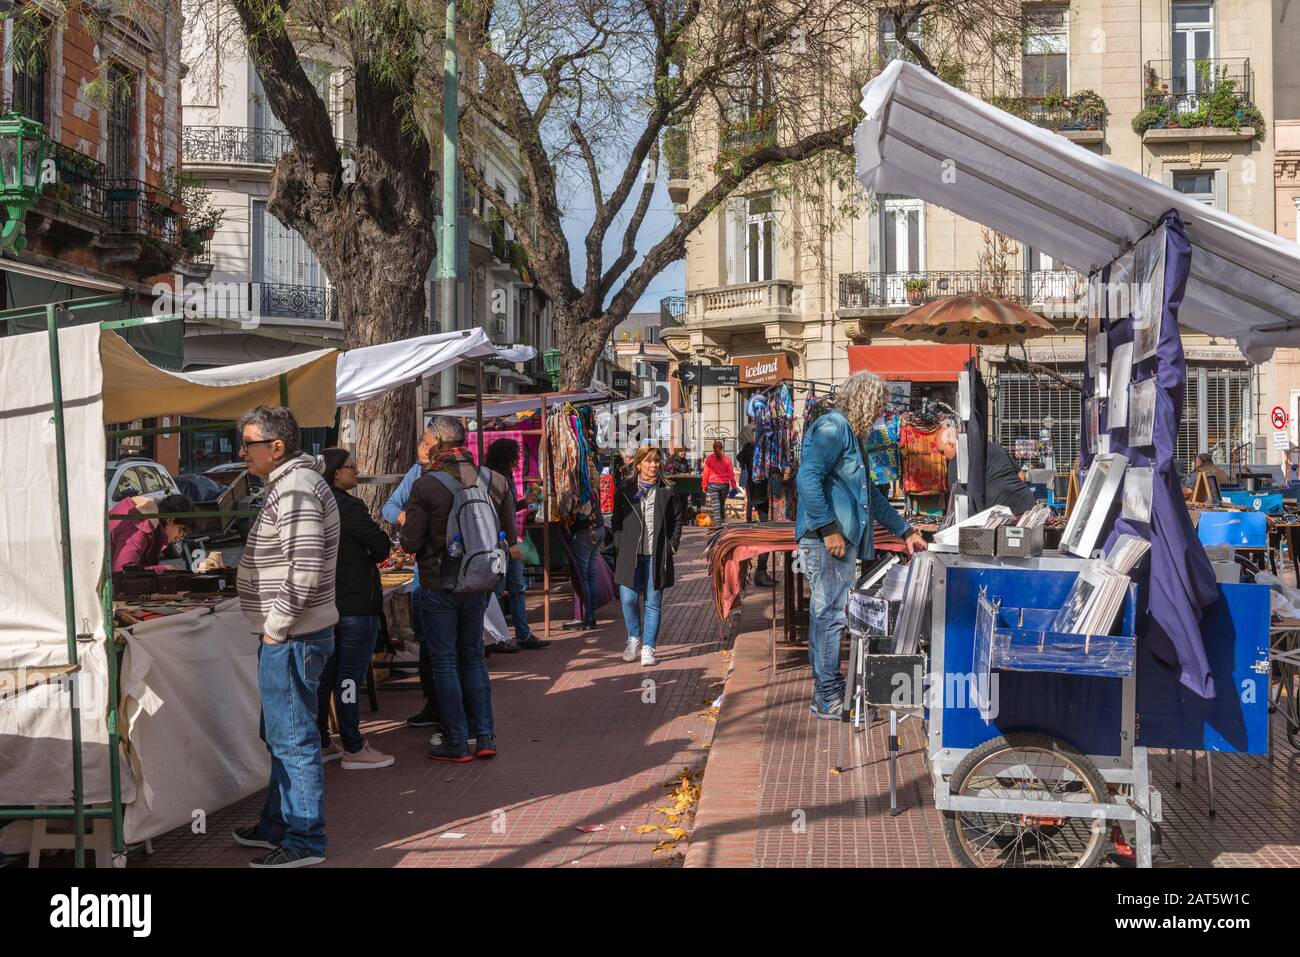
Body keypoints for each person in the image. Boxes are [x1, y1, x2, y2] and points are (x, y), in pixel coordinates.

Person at [231, 405, 340, 868]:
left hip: (294, 634)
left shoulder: (296, 487)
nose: (242, 453)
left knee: (292, 738)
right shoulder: (292, 483)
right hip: (293, 634)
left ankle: (303, 841)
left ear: (276, 447)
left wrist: (276, 627)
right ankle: (277, 824)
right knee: (279, 733)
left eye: (249, 444)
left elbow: (305, 567)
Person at [796, 372, 927, 720]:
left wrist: (905, 531)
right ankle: (828, 696)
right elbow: (806, 478)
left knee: (827, 616)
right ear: (865, 402)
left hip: (836, 539)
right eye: (879, 406)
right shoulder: (833, 428)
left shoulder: (849, 435)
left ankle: (826, 692)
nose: (881, 414)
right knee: (830, 616)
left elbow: (868, 495)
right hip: (828, 540)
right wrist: (828, 529)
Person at [401, 416, 517, 762]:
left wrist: (410, 525)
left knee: (445, 663)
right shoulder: (494, 480)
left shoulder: (427, 484)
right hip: (481, 583)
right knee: (472, 658)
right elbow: (510, 534)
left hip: (439, 584)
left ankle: (454, 739)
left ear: (437, 441)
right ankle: (484, 735)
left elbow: (410, 543)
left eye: (426, 438)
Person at [315, 448, 396, 771]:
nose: (357, 472)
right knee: (348, 677)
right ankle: (352, 744)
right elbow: (379, 547)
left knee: (326, 676)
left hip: (325, 602)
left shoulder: (314, 504)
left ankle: (322, 740)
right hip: (354, 603)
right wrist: (376, 543)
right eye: (351, 467)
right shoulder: (347, 505)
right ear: (335, 472)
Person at [383, 425, 447, 731]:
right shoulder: (417, 473)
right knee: (427, 639)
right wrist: (405, 517)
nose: (420, 448)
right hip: (427, 570)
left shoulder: (453, 475)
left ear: (438, 444)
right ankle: (435, 704)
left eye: (424, 442)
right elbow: (390, 506)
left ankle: (451, 716)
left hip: (448, 571)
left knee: (448, 645)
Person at [612, 446, 684, 666]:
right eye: (649, 462)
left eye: (656, 462)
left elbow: (677, 519)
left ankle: (648, 648)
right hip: (630, 555)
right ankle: (633, 638)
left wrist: (672, 545)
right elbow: (616, 520)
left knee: (653, 603)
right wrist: (620, 542)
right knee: (628, 599)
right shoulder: (625, 488)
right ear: (639, 464)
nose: (653, 466)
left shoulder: (667, 489)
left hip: (656, 554)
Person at [484, 438, 549, 650]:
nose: (517, 461)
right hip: (500, 546)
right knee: (497, 590)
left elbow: (508, 510)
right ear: (505, 458)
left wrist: (524, 502)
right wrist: (507, 542)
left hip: (510, 544)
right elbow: (495, 514)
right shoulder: (492, 479)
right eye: (514, 457)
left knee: (517, 589)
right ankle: (496, 638)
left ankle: (523, 634)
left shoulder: (508, 477)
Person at [938, 427, 1038, 515]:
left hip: (1001, 515)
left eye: (942, 451)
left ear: (951, 445)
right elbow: (1021, 476)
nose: (944, 456)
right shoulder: (994, 446)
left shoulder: (957, 462)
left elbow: (959, 501)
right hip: (1027, 504)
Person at [109, 493, 193, 572]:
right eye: (180, 530)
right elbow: (121, 571)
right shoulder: (139, 529)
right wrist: (162, 570)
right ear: (170, 519)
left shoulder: (145, 511)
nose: (180, 536)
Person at [736, 440, 775, 587]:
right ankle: (761, 571)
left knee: (765, 532)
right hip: (762, 494)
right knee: (767, 533)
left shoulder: (749, 447)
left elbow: (740, 460)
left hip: (757, 493)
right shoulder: (757, 445)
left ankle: (760, 570)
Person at [701, 440, 736, 526]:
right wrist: (734, 487)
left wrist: (704, 486)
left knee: (716, 506)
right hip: (724, 485)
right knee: (721, 504)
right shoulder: (727, 459)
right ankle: (722, 520)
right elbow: (731, 475)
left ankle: (717, 525)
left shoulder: (709, 459)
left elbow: (706, 474)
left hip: (713, 485)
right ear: (722, 448)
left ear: (713, 449)